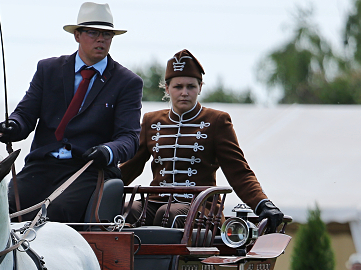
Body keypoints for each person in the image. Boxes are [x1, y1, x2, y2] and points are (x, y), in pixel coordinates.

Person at [0, 2, 143, 223]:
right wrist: (13, 126)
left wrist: (107, 151)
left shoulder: (127, 82)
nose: (101, 39)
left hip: (89, 169)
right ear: (77, 35)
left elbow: (129, 138)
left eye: (107, 34)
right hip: (42, 165)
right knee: (4, 209)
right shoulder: (48, 69)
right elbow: (25, 115)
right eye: (93, 32)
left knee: (57, 213)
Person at [118, 49, 283, 230]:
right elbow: (131, 165)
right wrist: (99, 187)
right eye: (178, 86)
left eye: (191, 86)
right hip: (157, 201)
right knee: (126, 210)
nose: (184, 93)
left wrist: (262, 203)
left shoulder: (217, 121)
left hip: (201, 207)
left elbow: (238, 170)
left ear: (200, 87)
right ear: (167, 88)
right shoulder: (151, 120)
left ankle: (168, 260)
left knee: (169, 214)